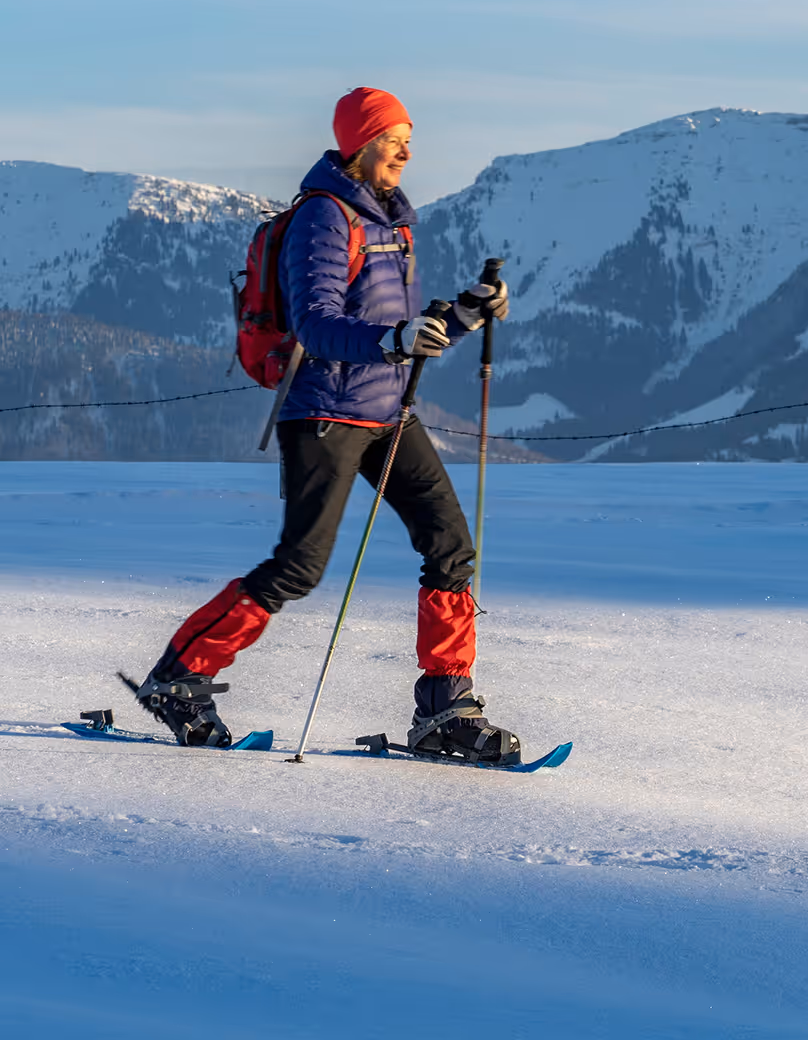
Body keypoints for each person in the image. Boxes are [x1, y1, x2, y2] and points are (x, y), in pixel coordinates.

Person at [131, 87, 519, 763]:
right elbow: (316, 324)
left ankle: (445, 708)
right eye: (393, 139)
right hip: (323, 412)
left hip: (388, 412)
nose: (406, 151)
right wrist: (394, 341)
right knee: (299, 566)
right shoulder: (324, 216)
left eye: (408, 140)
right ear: (360, 144)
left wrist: (464, 314)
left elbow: (400, 334)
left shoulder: (391, 223)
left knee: (451, 548)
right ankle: (180, 677)